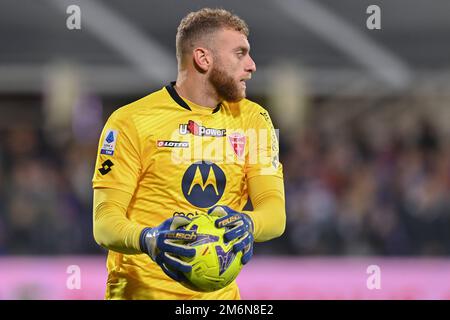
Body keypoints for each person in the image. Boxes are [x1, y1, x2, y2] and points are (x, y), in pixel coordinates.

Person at [92, 7, 286, 300]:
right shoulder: (130, 121)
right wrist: (148, 239)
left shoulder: (254, 119)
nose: (252, 65)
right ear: (203, 58)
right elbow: (104, 222)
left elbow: (275, 212)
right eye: (240, 53)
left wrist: (250, 223)